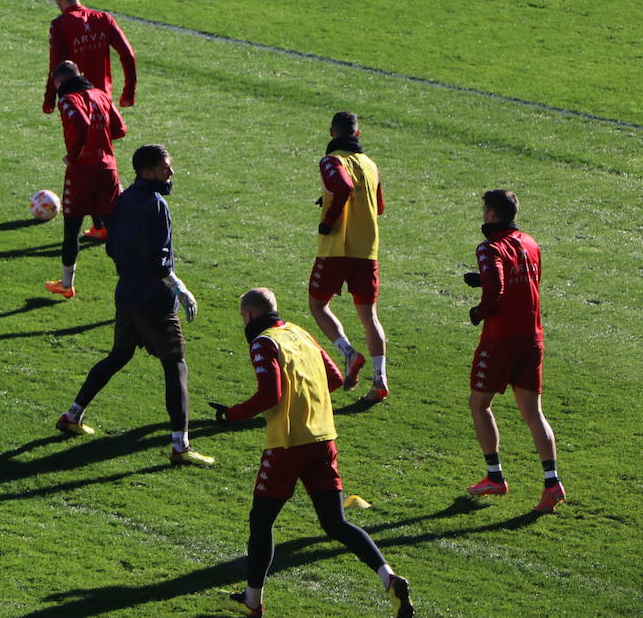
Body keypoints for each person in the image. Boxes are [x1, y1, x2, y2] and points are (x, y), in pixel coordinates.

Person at [213, 288, 413, 618]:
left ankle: (251, 601)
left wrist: (232, 414)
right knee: (335, 522)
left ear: (248, 316)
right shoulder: (300, 332)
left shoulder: (264, 342)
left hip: (287, 445)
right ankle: (389, 579)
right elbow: (334, 377)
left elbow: (269, 393)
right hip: (324, 440)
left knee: (261, 522)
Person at [55, 144, 213, 467]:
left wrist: (131, 275)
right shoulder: (157, 206)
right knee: (176, 364)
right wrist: (180, 289)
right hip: (153, 302)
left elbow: (112, 247)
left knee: (119, 355)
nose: (171, 173)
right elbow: (159, 262)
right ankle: (180, 445)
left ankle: (72, 415)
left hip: (126, 295)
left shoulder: (123, 199)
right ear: (148, 171)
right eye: (165, 167)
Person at [462, 189, 564, 514]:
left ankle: (494, 476)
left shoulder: (489, 247)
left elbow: (498, 289)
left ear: (492, 215)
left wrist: (480, 310)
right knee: (533, 412)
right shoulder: (530, 242)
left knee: (479, 404)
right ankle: (552, 483)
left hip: (500, 338)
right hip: (532, 336)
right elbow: (525, 280)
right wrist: (483, 279)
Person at [42, 0, 136, 241]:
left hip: (77, 102)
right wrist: (128, 91)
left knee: (85, 162)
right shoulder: (103, 19)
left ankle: (109, 224)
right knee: (102, 158)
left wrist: (50, 99)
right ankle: (102, 225)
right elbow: (128, 54)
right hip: (104, 102)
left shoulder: (60, 25)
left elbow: (55, 66)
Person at [308, 110, 391, 402]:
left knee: (317, 305)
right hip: (367, 250)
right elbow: (377, 206)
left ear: (332, 133)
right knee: (370, 317)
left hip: (336, 249)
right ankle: (380, 380)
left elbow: (343, 187)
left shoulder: (331, 160)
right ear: (358, 134)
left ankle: (348, 353)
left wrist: (329, 218)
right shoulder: (371, 165)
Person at [44, 61, 125, 299]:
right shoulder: (100, 94)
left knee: (72, 230)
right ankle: (133, 282)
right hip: (109, 169)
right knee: (116, 232)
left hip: (82, 172)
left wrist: (73, 155)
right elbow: (119, 129)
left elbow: (80, 123)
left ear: (59, 82)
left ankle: (67, 284)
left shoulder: (67, 99)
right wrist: (101, 142)